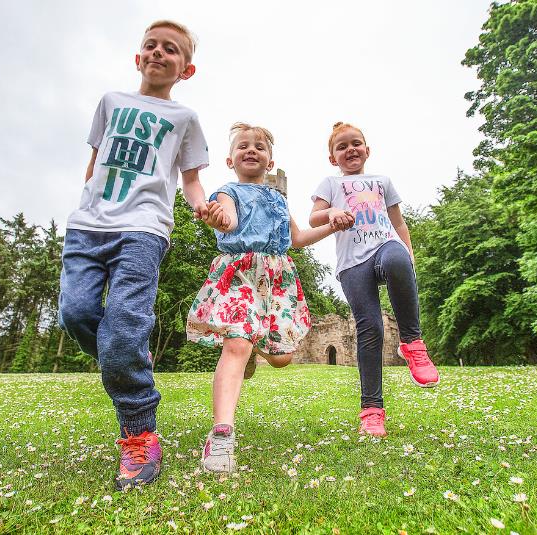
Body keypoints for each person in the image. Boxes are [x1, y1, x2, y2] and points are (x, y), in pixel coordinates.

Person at [58, 20, 213, 489]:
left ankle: (140, 433)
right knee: (76, 313)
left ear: (186, 69)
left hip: (145, 228)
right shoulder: (110, 102)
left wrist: (204, 207)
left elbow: (190, 180)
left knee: (124, 328)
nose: (159, 53)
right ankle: (124, 351)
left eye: (171, 50)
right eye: (152, 46)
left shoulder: (184, 118)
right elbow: (95, 161)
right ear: (138, 56)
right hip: (88, 225)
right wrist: (87, 200)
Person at [186, 123, 349, 472]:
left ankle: (249, 350)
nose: (251, 150)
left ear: (270, 161)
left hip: (277, 280)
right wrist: (219, 218)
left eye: (259, 146)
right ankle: (221, 437)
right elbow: (228, 221)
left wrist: (332, 225)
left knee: (282, 358)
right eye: (243, 146)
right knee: (237, 344)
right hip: (241, 273)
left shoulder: (278, 199)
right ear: (230, 160)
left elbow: (299, 238)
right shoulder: (227, 192)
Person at [309, 122, 440, 438]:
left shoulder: (382, 181)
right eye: (342, 147)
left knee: (397, 258)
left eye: (356, 143)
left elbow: (399, 221)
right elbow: (314, 217)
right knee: (370, 328)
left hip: (384, 245)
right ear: (332, 158)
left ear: (367, 150)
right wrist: (331, 215)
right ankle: (372, 411)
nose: (350, 149)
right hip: (353, 263)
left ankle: (412, 342)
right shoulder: (330, 183)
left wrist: (409, 252)